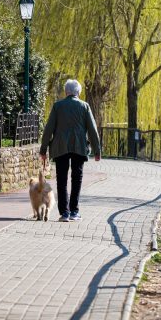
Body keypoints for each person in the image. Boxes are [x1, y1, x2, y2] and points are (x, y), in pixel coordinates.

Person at [39, 79, 101, 222]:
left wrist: (43, 149)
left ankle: (64, 213)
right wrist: (97, 150)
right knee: (77, 178)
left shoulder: (57, 106)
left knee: (61, 179)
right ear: (78, 92)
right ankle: (74, 211)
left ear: (66, 92)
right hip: (79, 146)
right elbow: (92, 129)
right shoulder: (84, 106)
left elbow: (48, 129)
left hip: (60, 147)